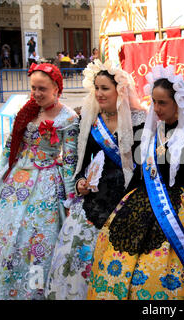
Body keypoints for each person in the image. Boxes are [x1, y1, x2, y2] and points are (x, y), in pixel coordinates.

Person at [87, 64, 184, 300]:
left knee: (157, 268)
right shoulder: (151, 134)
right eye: (153, 101)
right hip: (142, 203)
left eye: (162, 103)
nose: (156, 108)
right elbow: (139, 173)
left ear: (179, 103)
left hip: (177, 210)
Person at [0, 63, 79, 300]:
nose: (36, 94)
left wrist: (70, 197)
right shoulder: (28, 111)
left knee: (36, 238)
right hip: (17, 178)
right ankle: (0, 285)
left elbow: (69, 160)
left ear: (57, 88)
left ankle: (32, 289)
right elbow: (11, 145)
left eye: (42, 89)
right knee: (3, 234)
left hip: (46, 181)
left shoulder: (68, 117)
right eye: (33, 88)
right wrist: (0, 173)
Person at [45, 59, 147, 300]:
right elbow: (82, 162)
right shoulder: (90, 121)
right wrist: (80, 181)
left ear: (120, 90)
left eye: (105, 88)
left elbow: (143, 167)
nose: (99, 94)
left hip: (126, 199)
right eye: (97, 88)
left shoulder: (140, 122)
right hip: (92, 200)